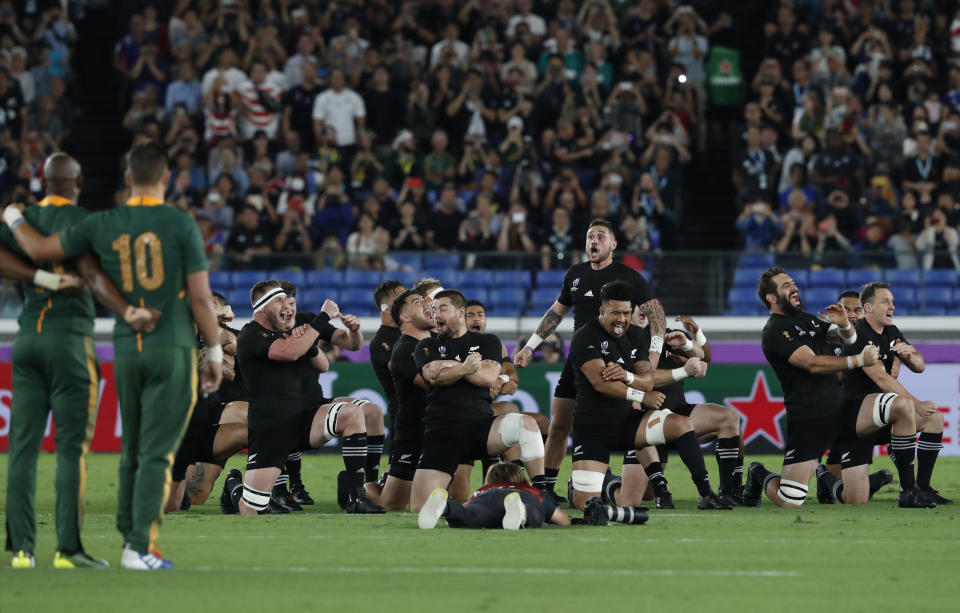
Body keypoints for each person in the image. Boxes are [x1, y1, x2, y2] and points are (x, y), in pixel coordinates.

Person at [4, 142, 223, 569]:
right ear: (166, 179)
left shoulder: (97, 222)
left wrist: (12, 215)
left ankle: (34, 549)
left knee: (109, 451)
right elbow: (196, 296)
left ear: (126, 179)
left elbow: (40, 249)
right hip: (147, 343)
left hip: (89, 344)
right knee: (131, 452)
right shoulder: (176, 223)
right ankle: (114, 548)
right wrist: (211, 346)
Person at [3, 153, 161, 569]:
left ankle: (21, 550)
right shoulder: (90, 222)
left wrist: (41, 278)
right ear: (78, 182)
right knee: (70, 449)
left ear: (42, 179)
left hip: (27, 338)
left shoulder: (25, 218)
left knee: (21, 448)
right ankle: (68, 549)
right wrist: (129, 311)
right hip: (70, 341)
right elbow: (94, 276)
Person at [745, 267, 928, 509]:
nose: (794, 287)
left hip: (842, 409)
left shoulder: (808, 319)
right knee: (789, 501)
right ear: (771, 297)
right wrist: (859, 360)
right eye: (786, 285)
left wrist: (844, 325)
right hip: (809, 419)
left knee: (901, 406)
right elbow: (811, 363)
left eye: (793, 282)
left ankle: (908, 492)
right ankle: (758, 473)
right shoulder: (774, 331)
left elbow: (847, 339)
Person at [513, 219, 666, 503]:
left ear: (613, 245)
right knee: (559, 423)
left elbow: (657, 316)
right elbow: (556, 313)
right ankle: (547, 488)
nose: (594, 241)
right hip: (580, 363)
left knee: (631, 420)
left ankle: (656, 484)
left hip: (619, 363)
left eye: (600, 236)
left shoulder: (630, 277)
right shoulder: (575, 274)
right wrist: (529, 346)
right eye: (590, 236)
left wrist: (653, 357)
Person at [222, 281, 384, 515]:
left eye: (289, 301)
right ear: (262, 307)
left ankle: (356, 494)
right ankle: (234, 485)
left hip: (306, 416)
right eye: (279, 300)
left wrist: (309, 340)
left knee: (352, 412)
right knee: (252, 509)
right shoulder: (251, 334)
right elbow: (289, 351)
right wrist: (320, 320)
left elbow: (323, 364)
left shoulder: (299, 331)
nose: (287, 305)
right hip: (272, 426)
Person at [567, 280, 730, 511]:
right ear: (602, 311)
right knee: (587, 505)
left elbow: (648, 379)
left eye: (625, 313)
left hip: (627, 423)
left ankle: (707, 494)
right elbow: (601, 384)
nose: (621, 319)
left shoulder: (634, 335)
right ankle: (597, 484)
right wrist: (640, 395)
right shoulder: (586, 337)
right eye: (615, 313)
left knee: (681, 423)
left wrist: (627, 376)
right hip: (594, 428)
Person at [409, 290, 547, 512]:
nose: (436, 315)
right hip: (441, 432)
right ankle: (475, 509)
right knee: (419, 507)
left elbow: (489, 377)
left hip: (481, 428)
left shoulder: (488, 341)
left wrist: (450, 365)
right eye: (433, 311)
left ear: (460, 312)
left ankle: (542, 493)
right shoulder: (427, 346)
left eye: (442, 309)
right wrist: (465, 367)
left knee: (528, 424)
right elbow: (433, 376)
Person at [817, 283, 949, 506]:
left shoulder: (892, 332)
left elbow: (920, 366)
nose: (893, 306)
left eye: (893, 302)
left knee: (934, 417)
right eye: (886, 301)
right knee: (855, 499)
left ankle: (918, 490)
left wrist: (911, 354)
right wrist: (916, 403)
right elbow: (881, 378)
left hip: (882, 414)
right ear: (868, 307)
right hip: (855, 420)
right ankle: (824, 476)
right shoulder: (858, 335)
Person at [817, 289, 894, 503]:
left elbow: (889, 374)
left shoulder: (875, 338)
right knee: (830, 493)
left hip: (863, 412)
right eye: (846, 309)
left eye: (857, 310)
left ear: (865, 311)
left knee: (901, 423)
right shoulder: (828, 338)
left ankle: (909, 485)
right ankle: (826, 475)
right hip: (835, 412)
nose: (851, 314)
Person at [364, 289, 435, 510]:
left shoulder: (440, 342)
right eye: (417, 302)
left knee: (458, 493)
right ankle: (358, 487)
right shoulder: (403, 349)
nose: (426, 304)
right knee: (393, 504)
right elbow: (432, 383)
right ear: (404, 317)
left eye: (425, 300)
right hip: (413, 430)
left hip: (441, 426)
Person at [418, 462, 571, 530]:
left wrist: (454, 516)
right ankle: (522, 512)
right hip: (521, 497)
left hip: (487, 501)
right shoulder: (529, 490)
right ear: (522, 479)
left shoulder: (484, 490)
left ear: (490, 480)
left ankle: (445, 507)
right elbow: (563, 520)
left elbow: (464, 510)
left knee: (469, 518)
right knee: (535, 514)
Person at [369, 280, 406, 460]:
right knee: (400, 475)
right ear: (386, 308)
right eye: (401, 296)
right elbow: (401, 370)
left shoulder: (410, 332)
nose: (408, 300)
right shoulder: (380, 342)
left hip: (425, 410)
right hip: (403, 414)